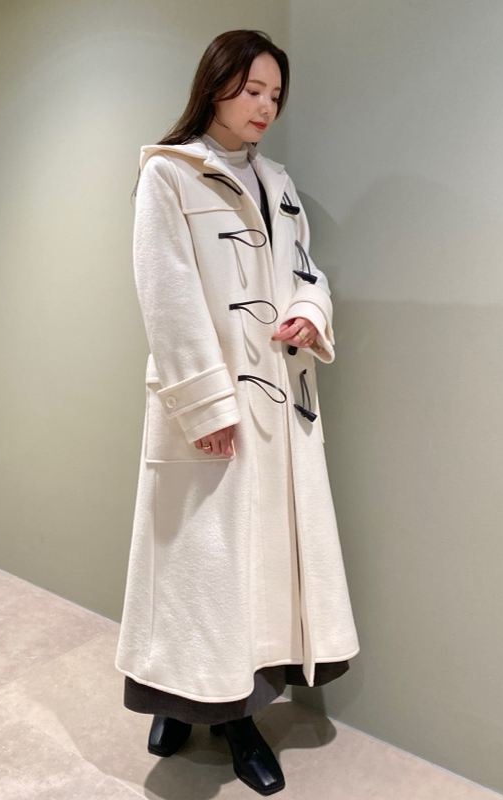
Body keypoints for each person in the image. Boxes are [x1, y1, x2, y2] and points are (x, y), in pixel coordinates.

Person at [115, 29, 359, 796]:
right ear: (214, 84)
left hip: (280, 411)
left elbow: (306, 273)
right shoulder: (168, 173)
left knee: (254, 576)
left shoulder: (277, 182)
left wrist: (308, 315)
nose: (264, 107)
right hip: (212, 409)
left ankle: (212, 713)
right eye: (252, 89)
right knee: (199, 572)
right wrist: (206, 403)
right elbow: (167, 295)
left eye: (275, 95)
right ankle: (201, 710)